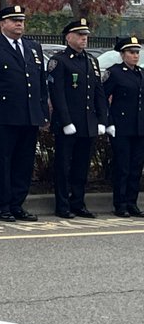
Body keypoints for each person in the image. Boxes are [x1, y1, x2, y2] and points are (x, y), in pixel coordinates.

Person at [0, 5, 48, 223]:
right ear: (2, 23)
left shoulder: (33, 47)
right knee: (3, 162)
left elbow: (39, 83)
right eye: (14, 20)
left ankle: (17, 204)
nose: (19, 24)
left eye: (21, 20)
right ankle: (2, 205)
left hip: (28, 115)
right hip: (3, 116)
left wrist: (42, 111)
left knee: (24, 163)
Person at [46, 18, 107, 219]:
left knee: (82, 166)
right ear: (68, 37)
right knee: (64, 166)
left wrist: (101, 119)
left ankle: (78, 203)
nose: (84, 39)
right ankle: (63, 205)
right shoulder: (60, 60)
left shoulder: (91, 61)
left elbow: (98, 92)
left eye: (86, 36)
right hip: (68, 124)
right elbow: (58, 94)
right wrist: (65, 121)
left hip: (88, 123)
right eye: (80, 35)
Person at [103, 35, 144, 217]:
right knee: (123, 167)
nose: (135, 56)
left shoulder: (141, 73)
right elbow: (102, 98)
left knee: (136, 167)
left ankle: (131, 202)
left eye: (137, 52)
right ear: (122, 54)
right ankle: (120, 203)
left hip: (139, 127)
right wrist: (108, 122)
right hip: (121, 127)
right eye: (131, 52)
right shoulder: (115, 72)